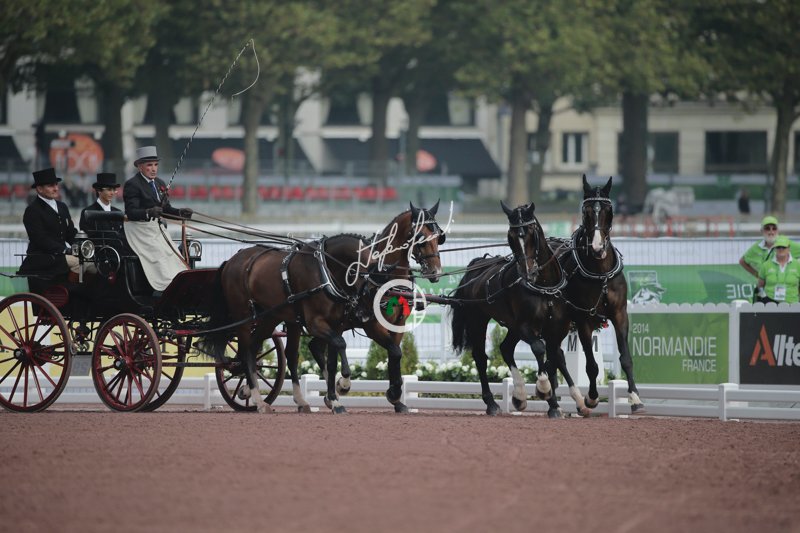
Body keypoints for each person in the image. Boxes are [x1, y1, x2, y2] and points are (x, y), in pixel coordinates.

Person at [122, 146, 192, 291]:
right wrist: (148, 212)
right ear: (140, 167)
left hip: (157, 229)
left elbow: (166, 209)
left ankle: (180, 284)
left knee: (173, 254)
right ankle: (165, 287)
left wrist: (180, 213)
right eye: (149, 165)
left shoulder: (159, 183)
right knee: (159, 255)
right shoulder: (132, 184)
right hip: (139, 230)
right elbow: (131, 212)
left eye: (155, 165)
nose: (153, 169)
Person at [17, 168, 96, 280]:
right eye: (51, 186)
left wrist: (82, 246)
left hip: (61, 255)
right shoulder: (32, 210)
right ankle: (71, 288)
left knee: (94, 264)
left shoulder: (62, 206)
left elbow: (70, 232)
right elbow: (40, 239)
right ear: (39, 189)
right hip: (43, 257)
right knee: (79, 263)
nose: (56, 188)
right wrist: (64, 250)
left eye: (56, 185)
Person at [756, 235, 800, 304]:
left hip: (792, 303)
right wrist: (764, 298)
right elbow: (760, 286)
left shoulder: (797, 265)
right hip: (770, 303)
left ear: (789, 248)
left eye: (783, 247)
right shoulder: (765, 265)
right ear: (775, 248)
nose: (781, 249)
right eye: (778, 247)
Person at [79, 172, 125, 238]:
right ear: (99, 191)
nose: (112, 193)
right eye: (109, 189)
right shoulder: (87, 212)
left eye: (114, 190)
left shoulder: (118, 212)